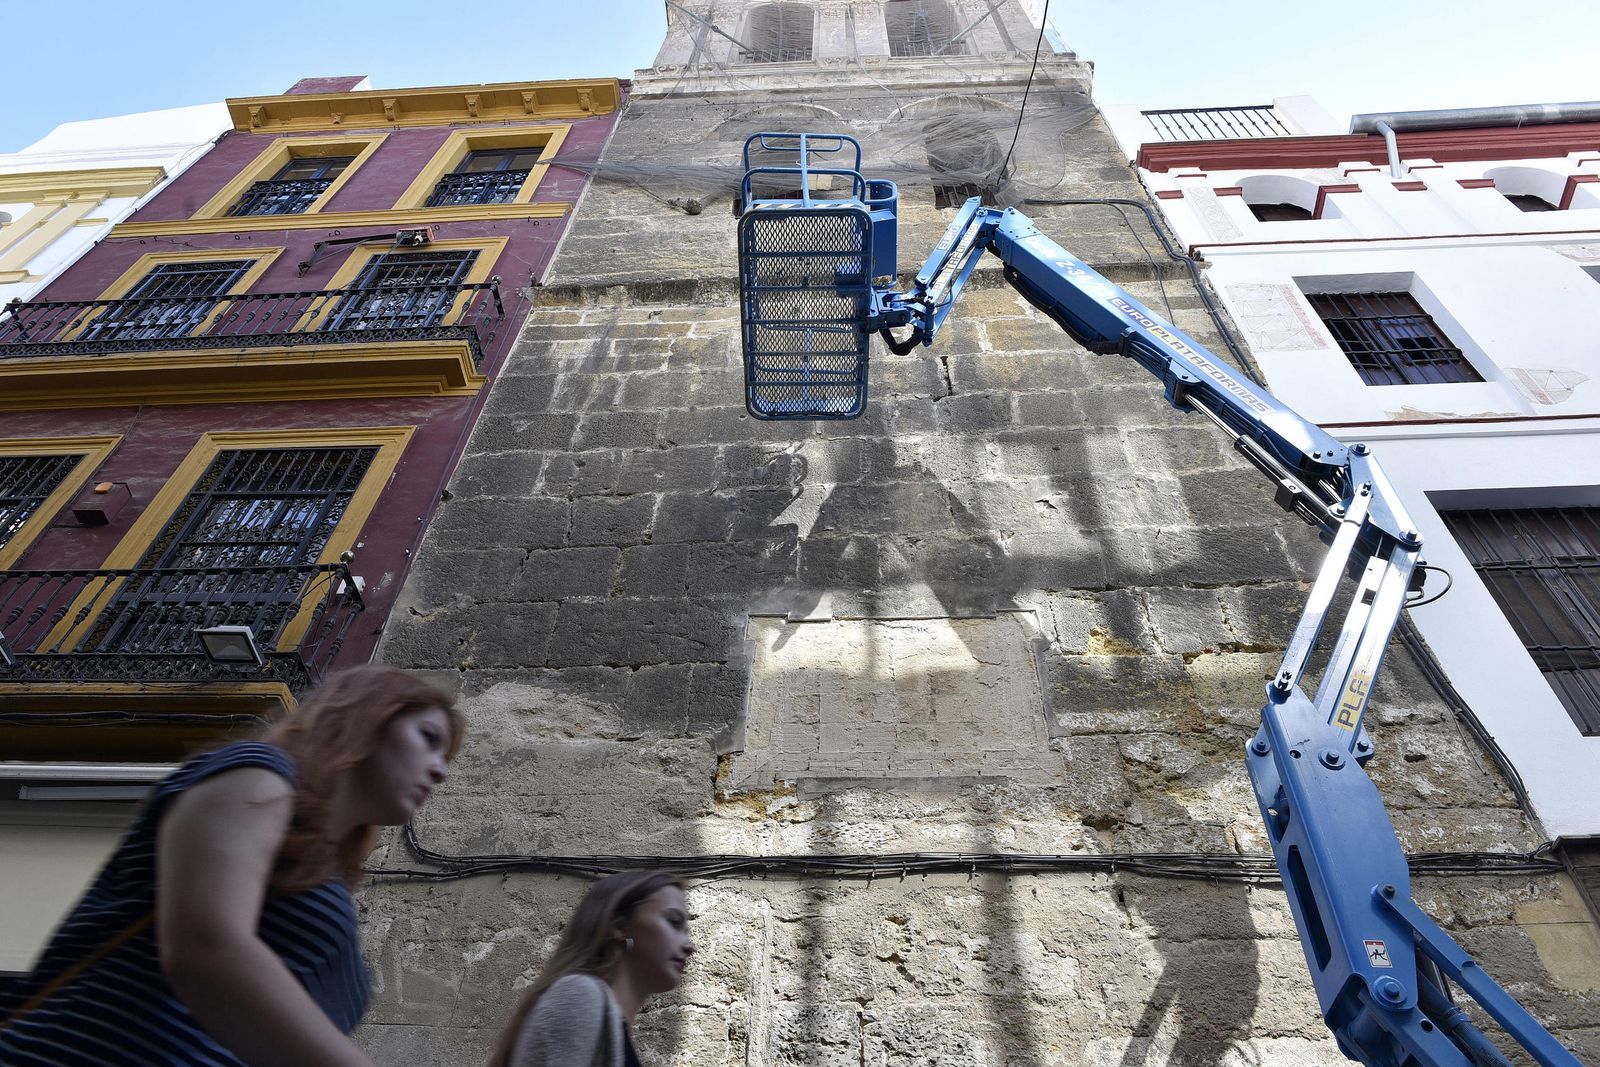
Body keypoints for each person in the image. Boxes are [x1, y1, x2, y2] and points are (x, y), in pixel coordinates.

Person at [0, 664, 463, 1067]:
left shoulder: (328, 878)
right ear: (368, 720)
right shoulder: (257, 772)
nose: (441, 771)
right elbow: (207, 947)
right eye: (428, 739)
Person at [490, 871, 695, 1067]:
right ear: (620, 927)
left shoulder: (606, 1019)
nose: (690, 946)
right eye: (674, 922)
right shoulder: (578, 993)